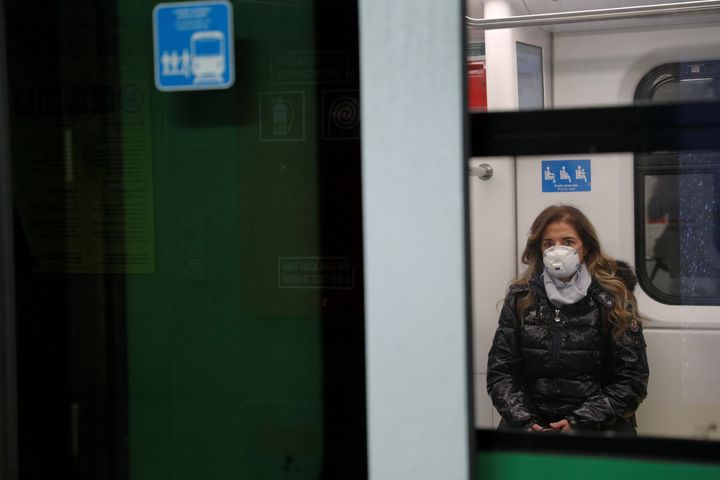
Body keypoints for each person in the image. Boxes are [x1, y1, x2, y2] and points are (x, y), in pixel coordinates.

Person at [487, 204, 649, 435]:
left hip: (597, 423)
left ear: (585, 247)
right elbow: (501, 372)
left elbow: (632, 380)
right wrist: (524, 420)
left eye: (568, 242)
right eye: (549, 244)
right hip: (531, 423)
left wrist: (579, 422)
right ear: (539, 250)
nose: (558, 250)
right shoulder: (520, 298)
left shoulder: (614, 298)